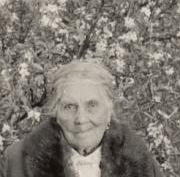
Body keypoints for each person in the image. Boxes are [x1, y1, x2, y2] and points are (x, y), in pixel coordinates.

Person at [0, 60, 162, 177]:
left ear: (109, 109)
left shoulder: (141, 162)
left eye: (92, 105)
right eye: (69, 106)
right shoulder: (16, 162)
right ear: (55, 113)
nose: (81, 119)